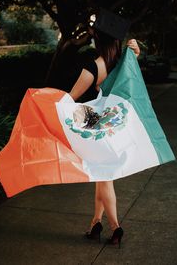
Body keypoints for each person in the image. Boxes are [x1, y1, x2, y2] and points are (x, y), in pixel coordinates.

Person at [69, 17, 140, 247]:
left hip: (96, 129)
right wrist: (136, 53)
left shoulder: (93, 67)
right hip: (118, 126)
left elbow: (71, 98)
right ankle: (95, 223)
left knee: (104, 177)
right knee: (102, 176)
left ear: (98, 39)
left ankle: (115, 227)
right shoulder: (125, 63)